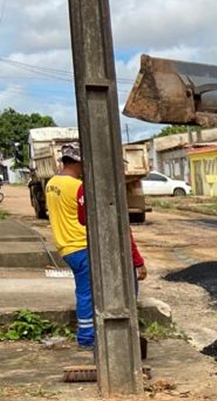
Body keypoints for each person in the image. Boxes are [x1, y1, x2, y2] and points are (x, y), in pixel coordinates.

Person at [44, 142, 146, 350]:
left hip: (66, 247)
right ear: (78, 162)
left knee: (86, 292)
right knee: (89, 293)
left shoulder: (52, 183)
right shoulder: (79, 187)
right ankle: (88, 338)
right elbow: (89, 218)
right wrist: (137, 261)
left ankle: (92, 334)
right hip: (83, 246)